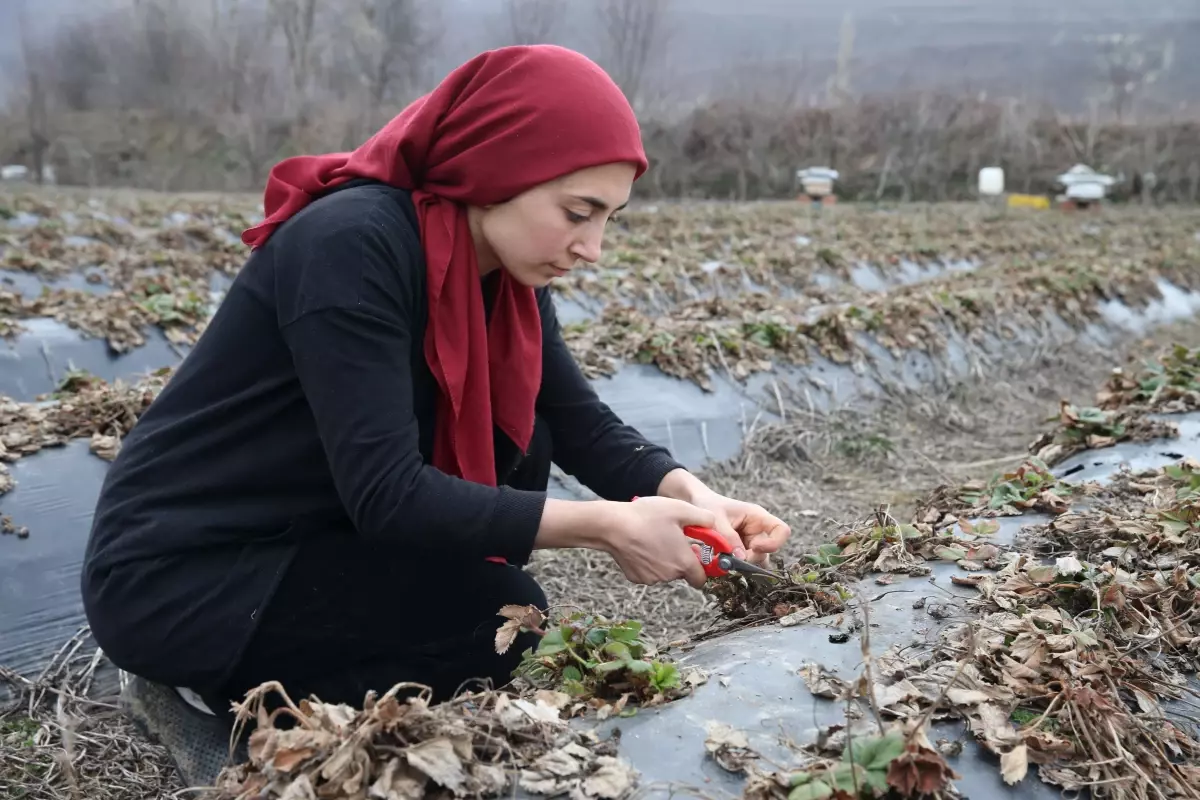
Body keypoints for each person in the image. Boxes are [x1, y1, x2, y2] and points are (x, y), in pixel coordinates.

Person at [80, 45, 791, 723]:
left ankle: (284, 672)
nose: (592, 248)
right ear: (498, 169)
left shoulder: (504, 272)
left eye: (609, 217)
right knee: (498, 618)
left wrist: (692, 496)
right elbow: (387, 494)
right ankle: (214, 699)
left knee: (527, 450)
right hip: (183, 572)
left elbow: (580, 422)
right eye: (577, 213)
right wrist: (607, 526)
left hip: (311, 534)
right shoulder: (351, 244)